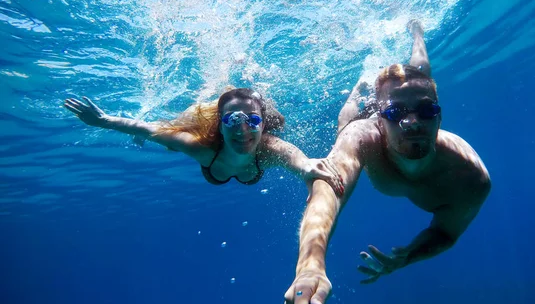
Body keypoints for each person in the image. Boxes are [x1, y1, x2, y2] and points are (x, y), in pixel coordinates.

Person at [284, 20, 491, 304]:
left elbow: (447, 232)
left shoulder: (469, 177)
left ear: (439, 116)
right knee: (347, 124)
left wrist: (408, 255)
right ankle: (359, 88)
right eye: (395, 114)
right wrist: (309, 266)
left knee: (418, 73)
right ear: (379, 121)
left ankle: (416, 31)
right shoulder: (363, 136)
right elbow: (328, 187)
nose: (413, 123)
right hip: (363, 122)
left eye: (426, 111)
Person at [64, 88, 344, 194]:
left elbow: (294, 156)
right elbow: (147, 127)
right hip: (198, 125)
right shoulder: (202, 147)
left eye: (253, 121)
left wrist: (307, 166)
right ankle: (212, 94)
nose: (243, 130)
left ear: (263, 126)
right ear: (220, 126)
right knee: (167, 137)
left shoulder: (267, 148)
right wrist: (102, 120)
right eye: (232, 121)